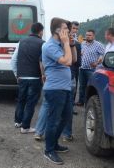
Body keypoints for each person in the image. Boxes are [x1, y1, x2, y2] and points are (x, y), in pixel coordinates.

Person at [41, 17, 74, 165]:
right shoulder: (50, 46)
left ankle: (53, 143)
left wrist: (69, 44)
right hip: (55, 90)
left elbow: (72, 60)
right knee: (53, 121)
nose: (68, 31)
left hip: (64, 88)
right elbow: (67, 61)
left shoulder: (60, 45)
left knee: (66, 117)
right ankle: (48, 150)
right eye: (65, 29)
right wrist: (66, 43)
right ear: (57, 31)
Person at [11, 22, 45, 134]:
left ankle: (18, 121)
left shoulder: (21, 42)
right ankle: (25, 127)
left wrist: (17, 74)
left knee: (21, 99)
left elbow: (13, 60)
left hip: (22, 77)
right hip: (35, 78)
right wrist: (44, 76)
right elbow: (43, 62)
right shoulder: (42, 44)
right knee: (30, 102)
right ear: (40, 31)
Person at [62, 21, 82, 141]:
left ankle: (44, 131)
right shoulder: (76, 45)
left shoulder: (56, 43)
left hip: (57, 78)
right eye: (73, 28)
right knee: (68, 107)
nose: (75, 31)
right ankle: (67, 134)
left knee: (54, 106)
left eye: (76, 29)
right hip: (70, 76)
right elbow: (77, 62)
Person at [76, 30, 104, 106]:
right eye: (87, 35)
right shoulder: (82, 44)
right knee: (82, 86)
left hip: (92, 69)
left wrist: (97, 62)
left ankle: (89, 103)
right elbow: (80, 54)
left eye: (90, 35)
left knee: (91, 86)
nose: (88, 36)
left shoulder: (98, 45)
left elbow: (102, 55)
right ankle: (81, 101)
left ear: (94, 36)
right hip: (82, 68)